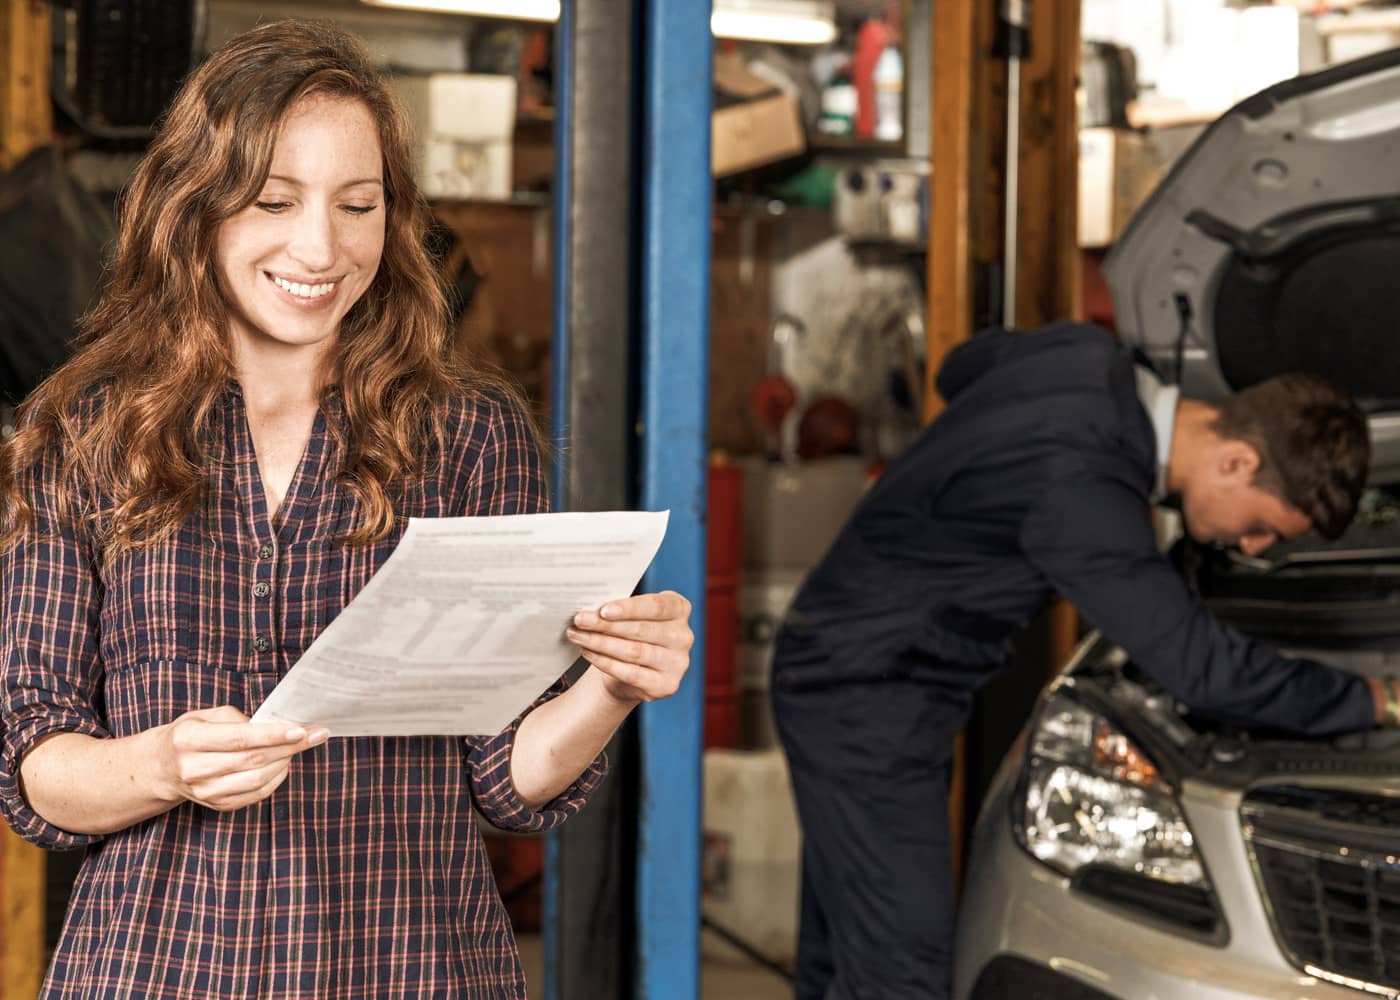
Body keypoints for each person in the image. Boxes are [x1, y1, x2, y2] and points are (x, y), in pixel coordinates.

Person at [0, 21, 692, 999]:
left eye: (356, 204)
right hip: (155, 969)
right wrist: (163, 765)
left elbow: (505, 778)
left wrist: (611, 687)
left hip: (411, 965)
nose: (319, 246)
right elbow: (32, 766)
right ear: (193, 210)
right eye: (274, 201)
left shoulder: (468, 433)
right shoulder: (80, 431)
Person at [770, 321, 1398, 1000]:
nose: (1249, 548)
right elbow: (1204, 671)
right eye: (1263, 527)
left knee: (844, 952)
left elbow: (960, 368)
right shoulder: (1085, 491)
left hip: (850, 658)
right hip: (866, 693)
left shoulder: (1083, 352)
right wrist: (1376, 699)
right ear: (1238, 461)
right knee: (901, 975)